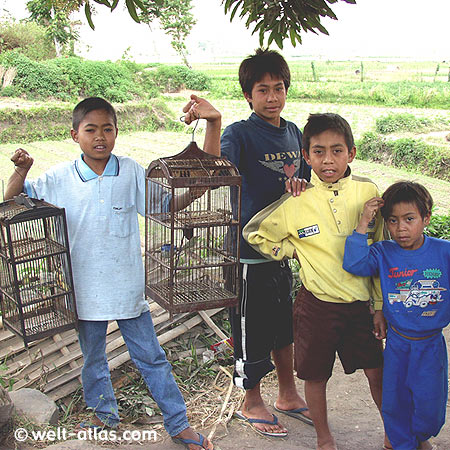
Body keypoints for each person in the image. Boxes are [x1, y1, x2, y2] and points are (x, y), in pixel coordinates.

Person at [4, 95, 221, 450]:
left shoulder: (131, 171)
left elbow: (165, 206)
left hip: (126, 291)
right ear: (75, 135)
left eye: (107, 129)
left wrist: (194, 190)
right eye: (91, 129)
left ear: (117, 133)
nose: (100, 136)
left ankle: (179, 424)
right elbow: (12, 201)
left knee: (151, 358)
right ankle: (104, 416)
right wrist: (21, 171)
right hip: (84, 292)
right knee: (93, 360)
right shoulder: (59, 178)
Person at [243, 113, 390, 450]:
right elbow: (256, 232)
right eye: (319, 152)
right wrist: (290, 249)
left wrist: (380, 306)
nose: (328, 160)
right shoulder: (298, 199)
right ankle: (324, 439)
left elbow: (381, 250)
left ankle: (392, 431)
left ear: (351, 153)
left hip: (360, 305)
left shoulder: (368, 192)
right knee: (315, 376)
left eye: (337, 151)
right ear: (305, 157)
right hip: (316, 306)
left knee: (376, 372)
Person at [220, 47, 312, 438]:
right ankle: (251, 400)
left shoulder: (294, 132)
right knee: (249, 329)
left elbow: (310, 177)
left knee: (282, 326)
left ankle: (288, 393)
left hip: (281, 250)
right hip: (246, 253)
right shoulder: (238, 134)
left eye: (278, 88)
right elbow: (218, 169)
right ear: (248, 95)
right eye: (263, 90)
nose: (272, 97)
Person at [343, 181, 449, 450]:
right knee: (394, 403)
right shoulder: (383, 252)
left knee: (429, 405)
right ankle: (403, 444)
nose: (401, 228)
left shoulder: (444, 252)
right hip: (398, 344)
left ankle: (422, 437)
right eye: (393, 220)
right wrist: (364, 221)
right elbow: (354, 263)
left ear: (426, 218)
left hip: (430, 345)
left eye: (409, 219)